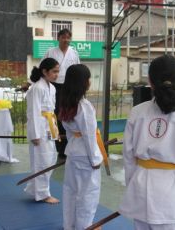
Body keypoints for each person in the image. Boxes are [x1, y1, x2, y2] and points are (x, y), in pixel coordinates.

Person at [119, 55, 175, 230]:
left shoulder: (137, 113)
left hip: (141, 191)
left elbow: (128, 158)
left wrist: (134, 188)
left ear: (150, 81)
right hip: (172, 201)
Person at [58, 64, 103, 230]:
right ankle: (85, 226)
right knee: (88, 193)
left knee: (71, 191)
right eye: (88, 78)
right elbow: (89, 136)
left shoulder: (67, 104)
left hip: (73, 152)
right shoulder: (84, 106)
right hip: (85, 155)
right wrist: (95, 159)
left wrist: (72, 147)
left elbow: (71, 133)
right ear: (83, 82)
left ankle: (69, 225)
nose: (90, 81)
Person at [24, 57, 60, 204]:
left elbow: (51, 110)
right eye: (54, 71)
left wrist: (55, 128)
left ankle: (35, 188)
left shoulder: (52, 87)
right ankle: (42, 194)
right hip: (39, 128)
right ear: (44, 71)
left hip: (50, 125)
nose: (57, 74)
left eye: (58, 71)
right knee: (42, 161)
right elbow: (33, 112)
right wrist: (35, 134)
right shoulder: (36, 88)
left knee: (51, 158)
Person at [43, 28, 80, 159]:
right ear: (58, 38)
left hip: (69, 88)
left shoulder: (74, 53)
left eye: (68, 37)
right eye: (63, 37)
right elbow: (42, 68)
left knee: (68, 115)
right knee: (54, 115)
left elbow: (78, 71)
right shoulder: (50, 52)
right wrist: (32, 81)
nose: (66, 40)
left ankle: (67, 147)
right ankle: (57, 147)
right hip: (54, 86)